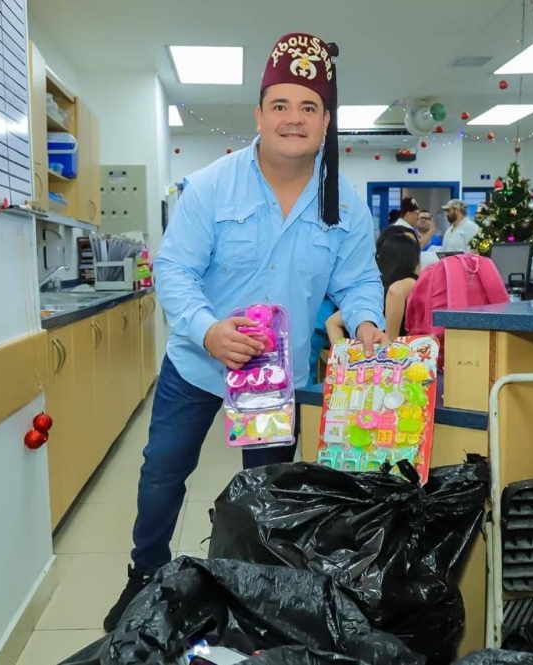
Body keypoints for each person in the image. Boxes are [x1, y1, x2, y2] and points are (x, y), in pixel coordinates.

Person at [104, 32, 387, 631]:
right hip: (200, 363)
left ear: (326, 121)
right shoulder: (212, 186)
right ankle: (144, 573)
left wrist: (366, 322)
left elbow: (359, 279)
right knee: (163, 472)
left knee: (268, 490)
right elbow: (175, 270)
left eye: (309, 108)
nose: (293, 119)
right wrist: (208, 332)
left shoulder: (344, 201)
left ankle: (254, 587)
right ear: (258, 114)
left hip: (273, 378)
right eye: (280, 105)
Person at [326, 229, 421, 342]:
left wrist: (342, 355)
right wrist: (389, 347)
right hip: (395, 356)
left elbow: (332, 322)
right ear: (414, 260)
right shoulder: (409, 285)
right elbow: (395, 291)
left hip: (365, 355)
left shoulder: (372, 293)